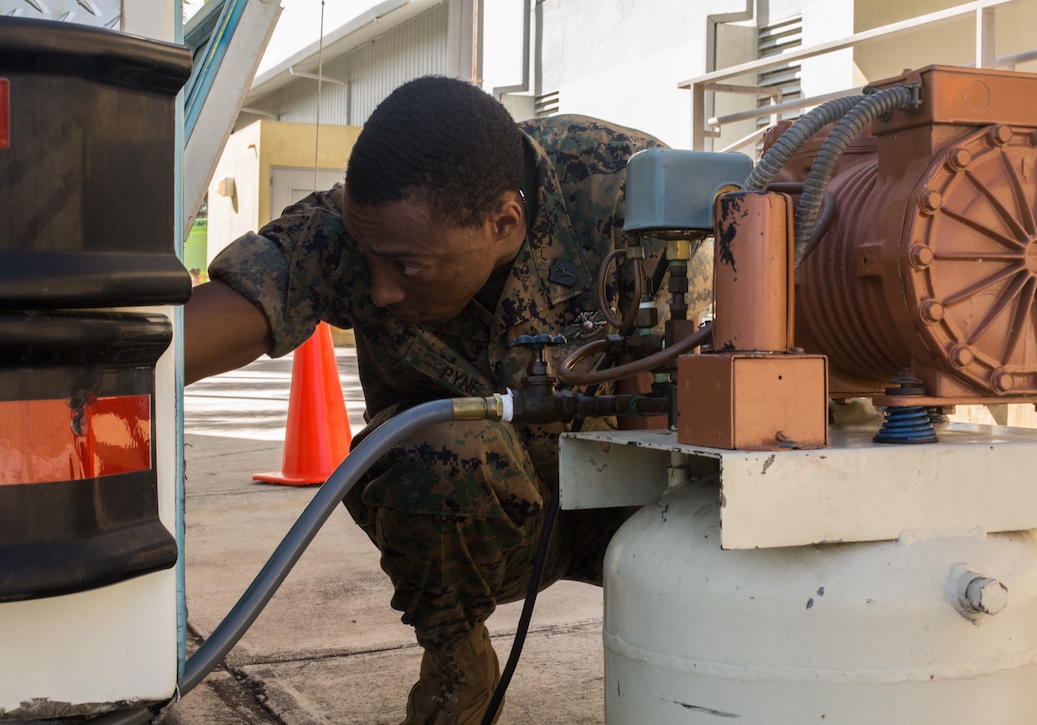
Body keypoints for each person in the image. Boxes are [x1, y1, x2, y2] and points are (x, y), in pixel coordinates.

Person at [184, 75, 712, 724]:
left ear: (502, 222)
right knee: (430, 445)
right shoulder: (368, 227)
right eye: (371, 262)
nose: (378, 293)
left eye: (406, 267)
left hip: (641, 513)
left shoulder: (636, 192)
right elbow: (221, 316)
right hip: (481, 526)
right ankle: (457, 660)